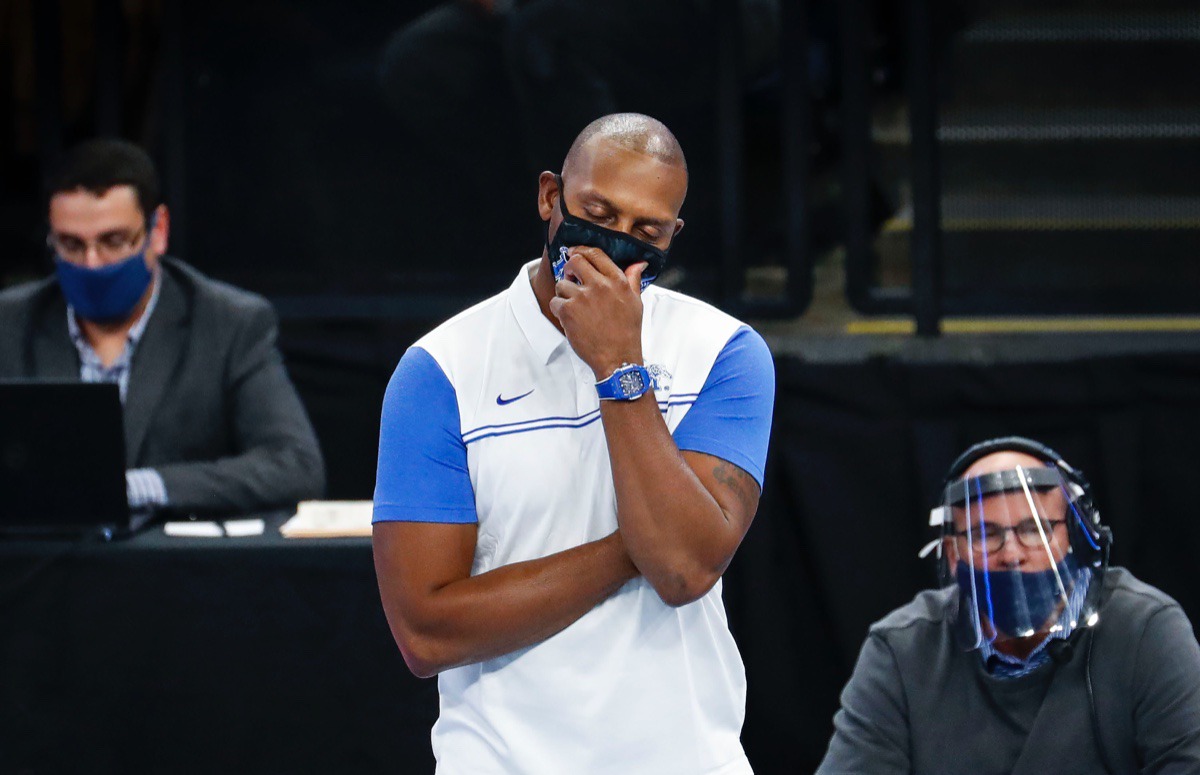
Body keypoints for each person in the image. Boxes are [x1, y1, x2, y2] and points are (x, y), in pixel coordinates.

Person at [372, 113, 775, 774]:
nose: (614, 243)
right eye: (596, 211)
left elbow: (680, 571)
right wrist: (638, 543)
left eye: (646, 231)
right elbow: (425, 631)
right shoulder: (439, 371)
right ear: (549, 196)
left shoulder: (726, 354)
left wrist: (619, 369)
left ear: (672, 235)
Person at [817, 436, 1200, 775]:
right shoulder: (902, 649)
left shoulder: (1146, 628)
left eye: (1036, 529)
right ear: (953, 554)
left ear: (1078, 538)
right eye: (985, 535)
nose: (1012, 554)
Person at [0, 138, 325, 517]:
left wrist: (138, 487)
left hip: (168, 568)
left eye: (113, 241)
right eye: (71, 245)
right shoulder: (11, 323)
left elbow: (294, 464)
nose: (91, 263)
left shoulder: (229, 324)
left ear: (157, 231)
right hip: (37, 570)